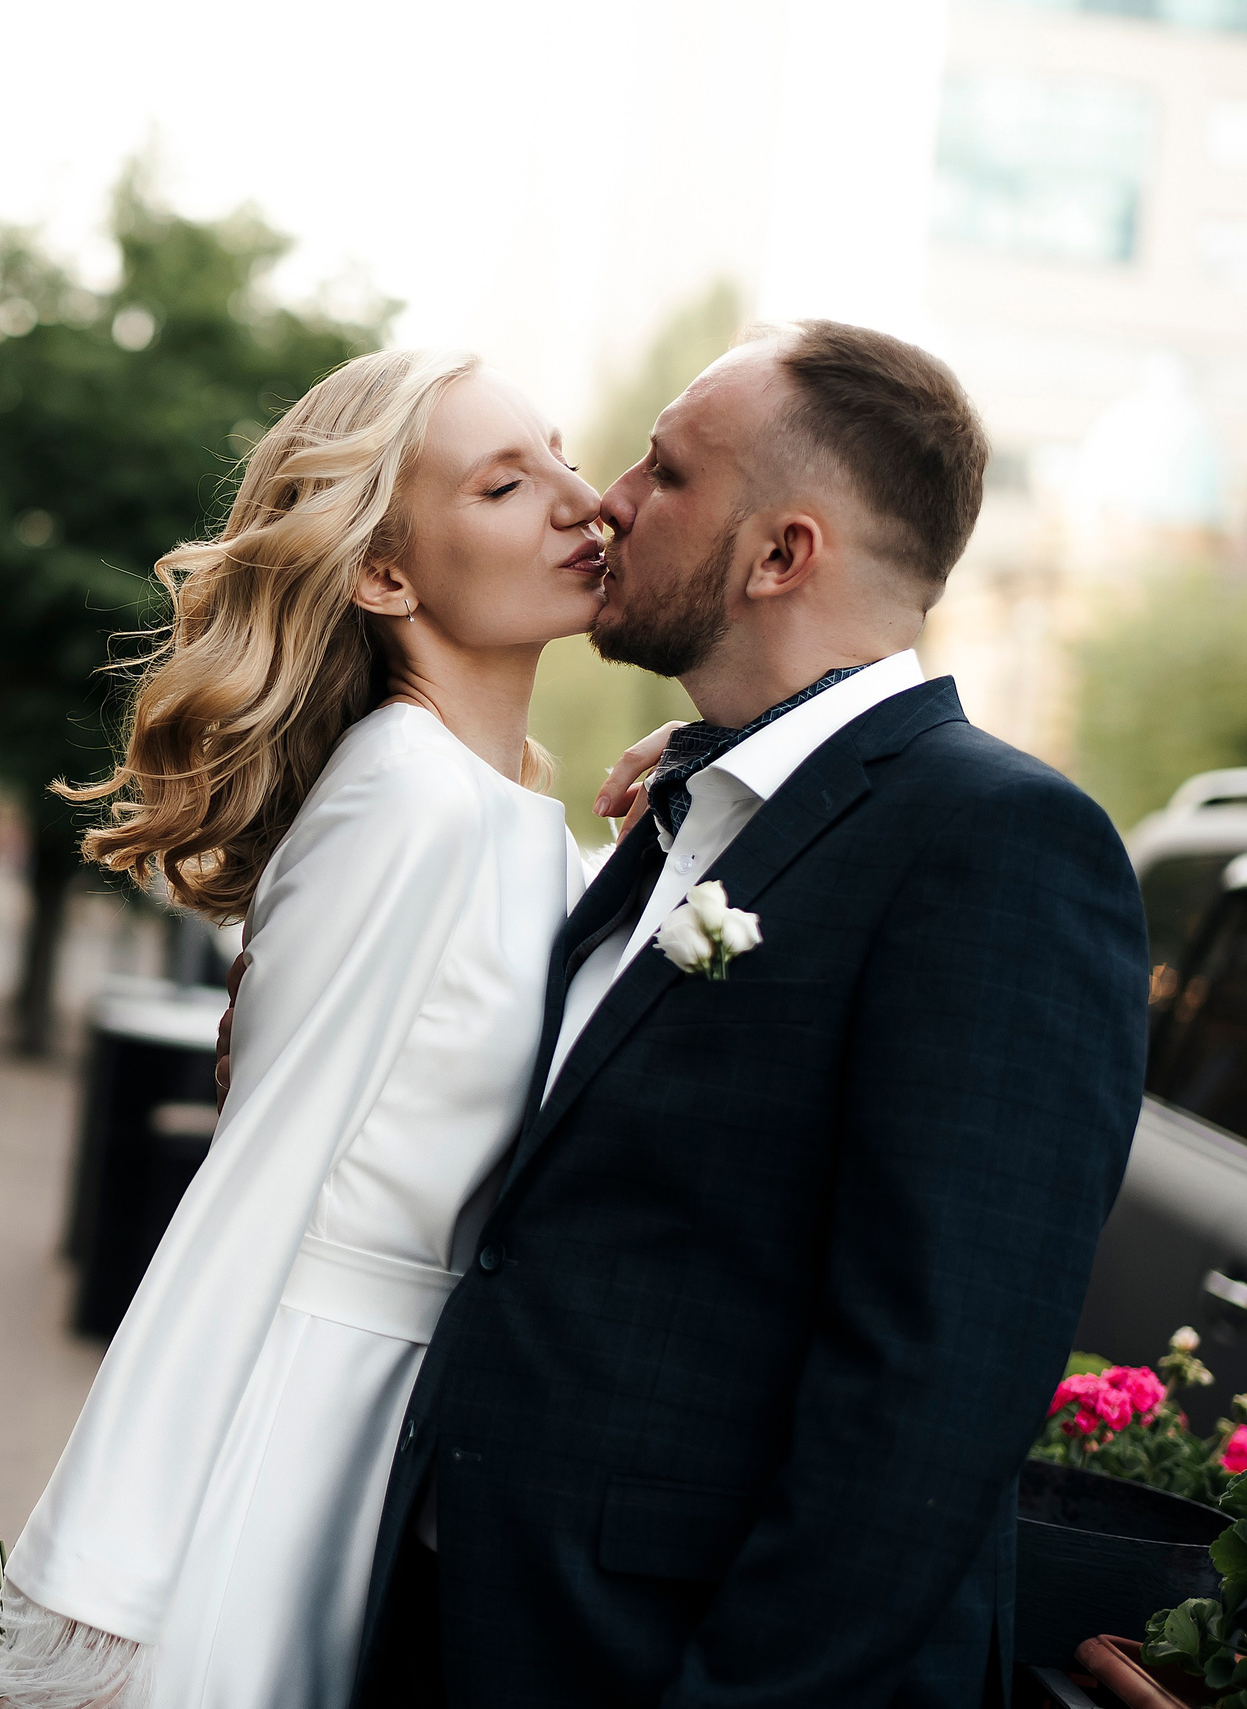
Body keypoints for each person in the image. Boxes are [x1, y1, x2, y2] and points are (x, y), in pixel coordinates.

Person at [276, 322, 1145, 1707]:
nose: (604, 497)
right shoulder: (683, 808)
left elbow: (930, 1398)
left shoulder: (998, 847)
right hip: (465, 1616)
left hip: (673, 1665)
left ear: (781, 555)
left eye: (665, 472)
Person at [0, 347, 626, 1709]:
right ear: (386, 573)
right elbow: (254, 1185)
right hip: (290, 1434)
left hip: (397, 1441)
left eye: (561, 451)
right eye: (503, 483)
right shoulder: (409, 800)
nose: (578, 500)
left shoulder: (510, 817)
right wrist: (107, 1581)